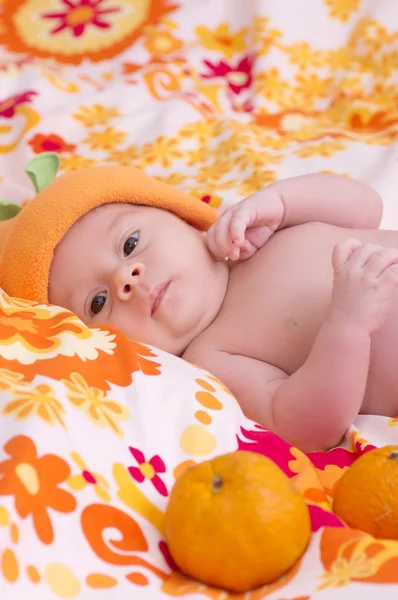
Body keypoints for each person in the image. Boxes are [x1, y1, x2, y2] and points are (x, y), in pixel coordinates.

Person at [1, 162, 397, 451]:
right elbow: (311, 426)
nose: (127, 277)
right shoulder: (214, 358)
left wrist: (281, 200)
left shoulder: (257, 231)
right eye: (98, 302)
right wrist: (348, 326)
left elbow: (367, 208)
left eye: (130, 244)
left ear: (182, 216)